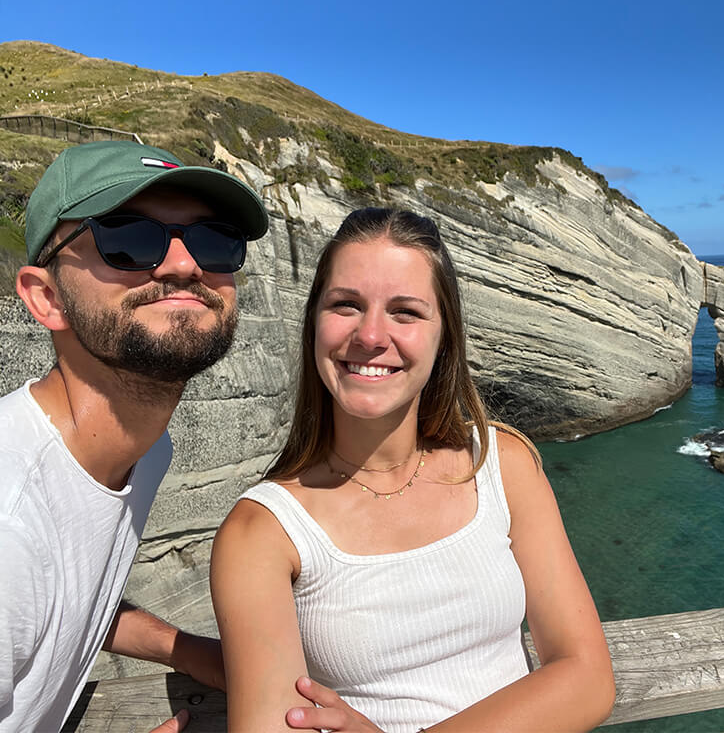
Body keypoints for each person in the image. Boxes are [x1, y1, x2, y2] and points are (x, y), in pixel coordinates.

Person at [211, 207, 615, 732]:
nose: (371, 335)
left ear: (444, 335)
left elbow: (588, 676)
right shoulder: (264, 532)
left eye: (405, 311)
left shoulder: (500, 463)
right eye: (346, 305)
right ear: (314, 322)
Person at [0, 140, 269, 733]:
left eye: (214, 239)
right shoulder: (10, 522)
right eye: (128, 237)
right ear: (46, 298)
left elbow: (67, 603)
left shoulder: (144, 451)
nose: (183, 265)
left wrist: (186, 650)